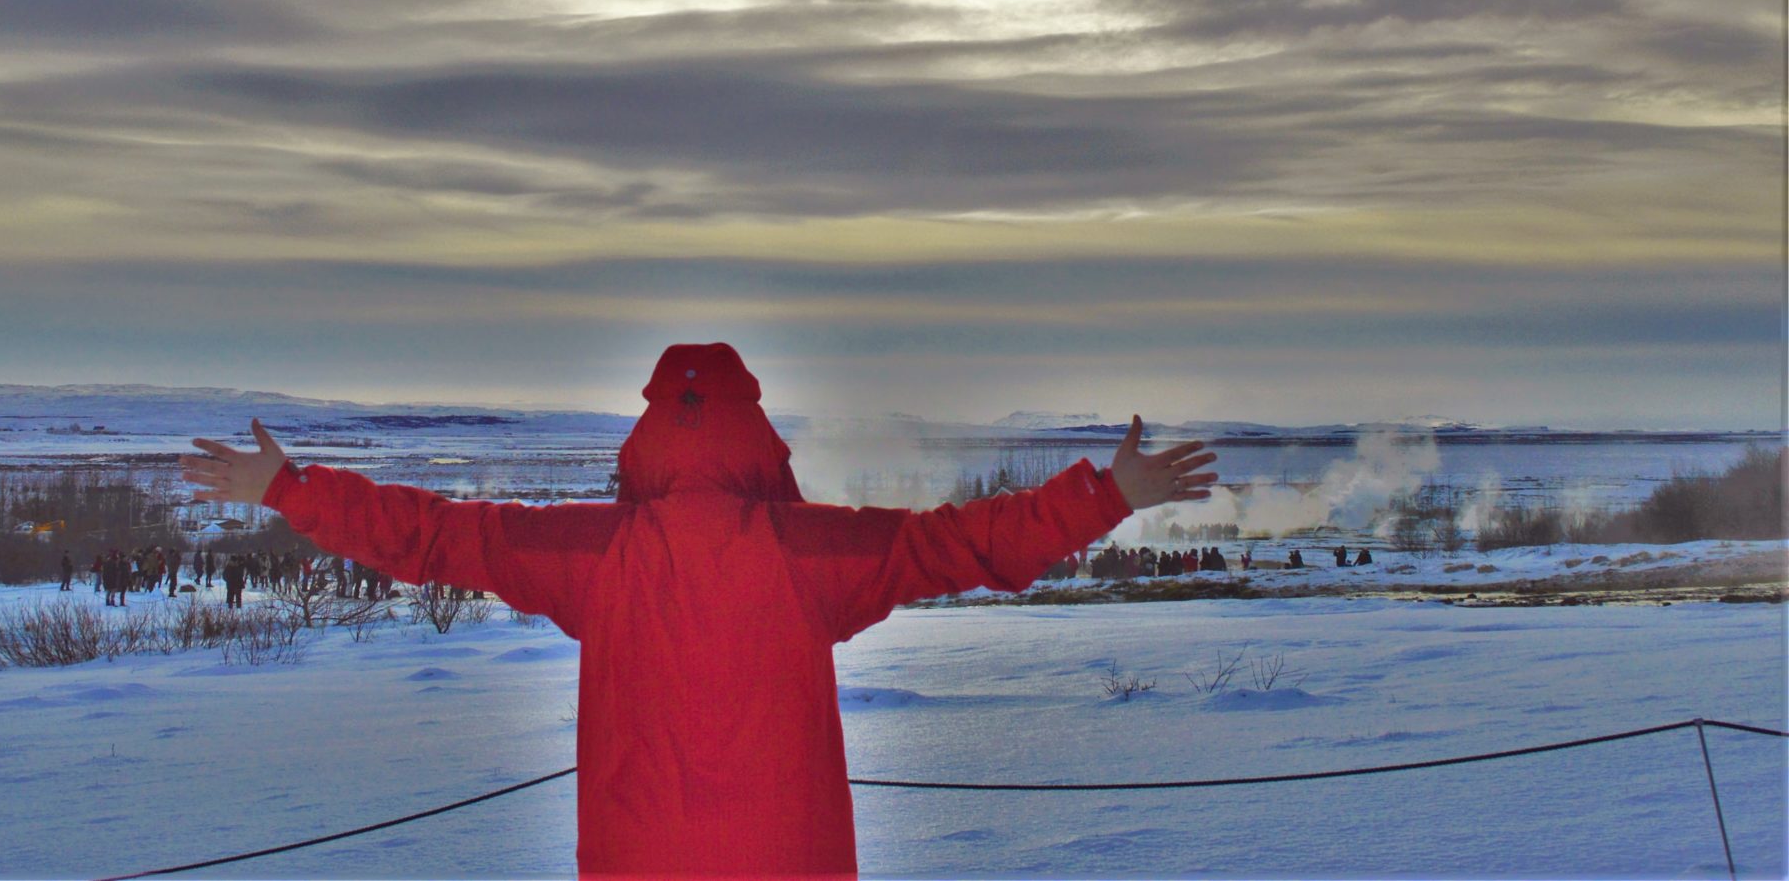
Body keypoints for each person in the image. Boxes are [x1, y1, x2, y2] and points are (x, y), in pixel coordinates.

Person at [183, 341, 1217, 879]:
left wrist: (289, 488)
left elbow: (436, 534)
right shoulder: (811, 555)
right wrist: (1106, 494)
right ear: (758, 440)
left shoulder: (590, 555)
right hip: (792, 862)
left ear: (644, 446)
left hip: (634, 864)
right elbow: (963, 546)